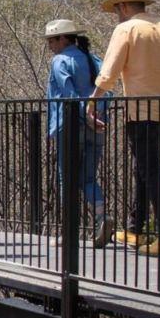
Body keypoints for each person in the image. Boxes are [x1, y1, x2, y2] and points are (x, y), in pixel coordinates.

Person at [86, 0, 160, 255]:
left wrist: (93, 101)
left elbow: (109, 72)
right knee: (143, 168)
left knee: (150, 170)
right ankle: (135, 229)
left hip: (140, 112)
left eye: (116, 10)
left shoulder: (126, 29)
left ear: (123, 7)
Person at [43, 19, 113, 248]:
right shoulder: (94, 59)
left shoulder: (60, 61)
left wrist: (86, 115)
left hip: (71, 126)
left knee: (67, 179)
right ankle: (102, 216)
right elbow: (107, 91)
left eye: (52, 40)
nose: (49, 45)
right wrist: (97, 114)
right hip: (98, 127)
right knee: (88, 178)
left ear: (64, 39)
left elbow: (69, 94)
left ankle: (69, 233)